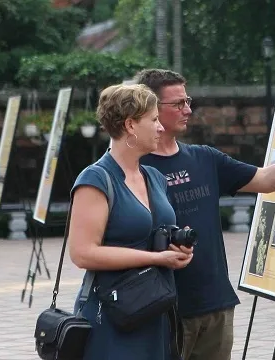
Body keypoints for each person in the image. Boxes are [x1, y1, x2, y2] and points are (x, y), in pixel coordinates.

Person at [136, 69, 275, 360]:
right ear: (150, 109)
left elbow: (267, 179)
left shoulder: (204, 157)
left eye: (188, 101)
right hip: (162, 306)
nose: (187, 109)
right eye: (177, 104)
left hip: (216, 303)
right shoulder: (132, 168)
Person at [68, 83, 194, 360]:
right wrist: (157, 259)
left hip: (154, 309)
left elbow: (153, 234)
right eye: (154, 120)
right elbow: (82, 253)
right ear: (130, 125)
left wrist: (176, 247)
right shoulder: (96, 179)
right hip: (112, 314)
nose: (161, 128)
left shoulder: (154, 177)